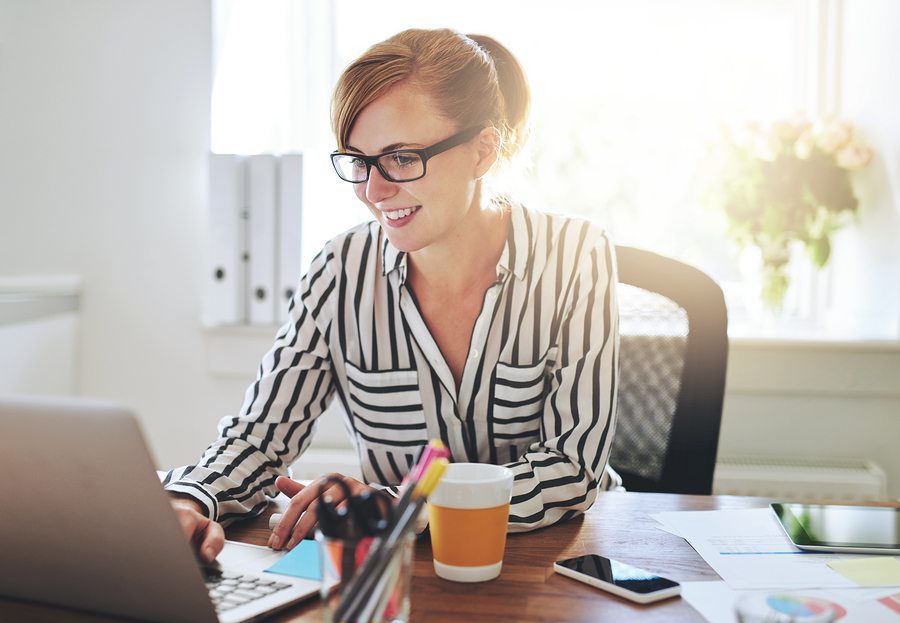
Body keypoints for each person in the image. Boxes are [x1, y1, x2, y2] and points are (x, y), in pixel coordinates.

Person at [165, 27, 619, 564]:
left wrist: (403, 506)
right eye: (359, 161)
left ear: (482, 150)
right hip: (400, 578)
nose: (373, 192)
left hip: (552, 566)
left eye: (402, 158)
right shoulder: (340, 269)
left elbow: (571, 466)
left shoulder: (575, 253)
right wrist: (185, 499)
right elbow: (260, 436)